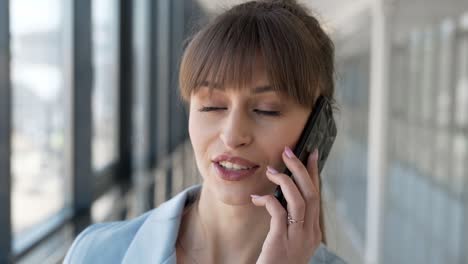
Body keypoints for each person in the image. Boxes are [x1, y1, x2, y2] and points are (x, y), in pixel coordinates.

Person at [64, 0, 346, 263]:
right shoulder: (96, 253)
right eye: (212, 106)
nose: (233, 136)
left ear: (317, 129)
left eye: (267, 109)